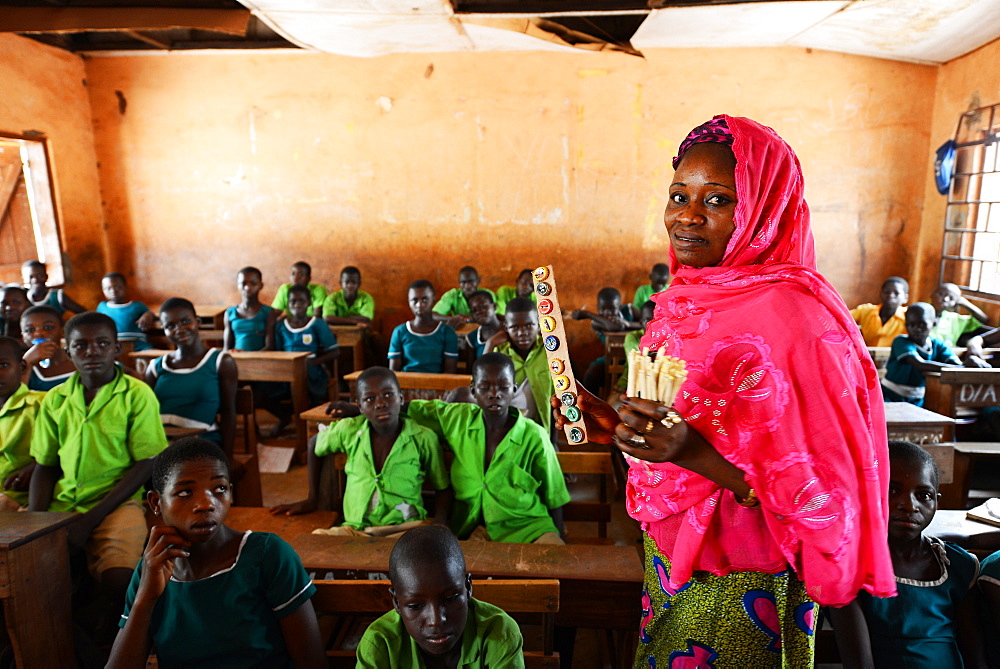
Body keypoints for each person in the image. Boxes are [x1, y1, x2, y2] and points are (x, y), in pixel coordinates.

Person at [560, 116, 895, 665]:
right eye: (678, 195)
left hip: (742, 583)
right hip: (670, 561)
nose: (687, 216)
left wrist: (692, 453)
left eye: (716, 200)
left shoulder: (798, 321)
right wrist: (619, 428)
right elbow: (685, 431)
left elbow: (828, 498)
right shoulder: (685, 301)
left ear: (763, 208)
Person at [107, 438, 325, 669]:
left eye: (219, 489)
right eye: (185, 492)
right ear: (156, 502)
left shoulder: (266, 554)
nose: (205, 503)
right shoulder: (151, 569)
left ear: (230, 494)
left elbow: (312, 663)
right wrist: (145, 598)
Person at [29, 311, 168, 620]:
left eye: (102, 343)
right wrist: (37, 524)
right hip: (62, 502)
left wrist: (89, 520)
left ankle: (118, 635)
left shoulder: (136, 394)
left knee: (119, 581)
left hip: (116, 503)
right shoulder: (55, 399)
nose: (92, 352)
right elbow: (46, 466)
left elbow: (147, 463)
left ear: (117, 349)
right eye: (80, 346)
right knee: (28, 574)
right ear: (68, 352)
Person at [835, 440, 982, 667]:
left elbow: (974, 656)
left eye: (923, 495)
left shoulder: (957, 565)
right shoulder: (850, 567)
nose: (909, 505)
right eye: (892, 491)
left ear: (936, 503)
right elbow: (860, 664)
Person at [405, 352, 569, 543]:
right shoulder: (458, 419)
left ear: (514, 389)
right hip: (468, 529)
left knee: (553, 559)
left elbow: (554, 495)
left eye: (503, 387)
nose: (494, 394)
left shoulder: (534, 436)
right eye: (484, 387)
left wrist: (559, 539)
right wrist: (363, 409)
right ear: (473, 391)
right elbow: (412, 410)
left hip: (527, 528)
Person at [270, 367, 450, 537]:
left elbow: (442, 487)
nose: (380, 404)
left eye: (388, 395)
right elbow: (314, 443)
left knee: (428, 542)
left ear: (401, 399)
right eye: (370, 399)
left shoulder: (423, 437)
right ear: (360, 407)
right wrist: (312, 498)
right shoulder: (349, 430)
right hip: (356, 530)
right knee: (317, 539)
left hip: (406, 529)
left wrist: (440, 521)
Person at [356, 524, 524, 668]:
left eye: (451, 598)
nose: (436, 620)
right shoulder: (379, 643)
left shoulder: (499, 633)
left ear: (467, 587)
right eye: (415, 606)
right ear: (397, 603)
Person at [146, 298, 238, 459]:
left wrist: (227, 458)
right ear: (164, 330)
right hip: (161, 444)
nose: (179, 330)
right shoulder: (156, 367)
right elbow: (144, 414)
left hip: (201, 444)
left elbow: (228, 412)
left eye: (185, 321)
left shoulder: (220, 361)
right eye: (170, 326)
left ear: (198, 321)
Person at [261, 284, 339, 436]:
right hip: (285, 370)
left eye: (301, 301)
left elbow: (335, 352)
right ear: (288, 304)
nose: (297, 305)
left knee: (304, 371)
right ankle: (285, 416)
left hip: (311, 368)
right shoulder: (281, 325)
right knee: (260, 387)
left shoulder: (317, 323)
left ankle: (308, 425)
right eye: (292, 302)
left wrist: (312, 363)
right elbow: (276, 352)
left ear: (309, 302)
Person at [882, 303, 977, 406]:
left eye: (922, 324)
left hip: (918, 399)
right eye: (911, 324)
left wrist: (968, 363)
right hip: (890, 395)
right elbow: (920, 364)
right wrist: (961, 367)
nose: (916, 329)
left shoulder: (938, 345)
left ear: (934, 323)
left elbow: (954, 363)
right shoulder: (901, 341)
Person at [485, 297, 553, 440]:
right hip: (506, 432)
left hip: (541, 432)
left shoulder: (550, 352)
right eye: (515, 327)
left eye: (529, 326)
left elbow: (556, 400)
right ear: (506, 328)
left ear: (539, 325)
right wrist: (490, 345)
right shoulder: (498, 352)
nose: (522, 333)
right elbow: (480, 387)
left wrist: (553, 441)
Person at [0, 336, 44, 511]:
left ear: (22, 367)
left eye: (3, 365)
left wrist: (37, 467)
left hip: (20, 501)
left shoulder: (41, 404)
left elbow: (66, 447)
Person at [389, 280, 459, 374]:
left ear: (433, 300)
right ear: (409, 302)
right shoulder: (400, 332)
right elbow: (394, 372)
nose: (420, 304)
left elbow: (450, 372)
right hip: (407, 385)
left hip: (438, 384)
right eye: (414, 300)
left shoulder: (446, 332)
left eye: (425, 299)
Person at [20, 305, 76, 390]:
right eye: (30, 330)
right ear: (23, 337)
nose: (38, 333)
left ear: (62, 332)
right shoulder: (21, 365)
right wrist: (27, 362)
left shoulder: (78, 360)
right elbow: (14, 400)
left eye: (48, 327)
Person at [96, 272, 155, 352]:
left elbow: (150, 314)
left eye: (117, 287)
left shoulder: (137, 306)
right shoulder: (102, 307)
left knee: (155, 356)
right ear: (103, 291)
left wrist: (148, 315)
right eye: (108, 288)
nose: (113, 291)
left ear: (126, 287)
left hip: (139, 346)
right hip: (113, 348)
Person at [223, 266, 277, 352]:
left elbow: (270, 347)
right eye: (243, 283)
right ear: (238, 285)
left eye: (253, 283)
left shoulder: (268, 313)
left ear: (261, 285)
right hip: (236, 361)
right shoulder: (230, 313)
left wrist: (249, 358)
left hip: (261, 361)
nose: (247, 287)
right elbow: (227, 348)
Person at [929, 282, 991, 355]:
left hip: (948, 355)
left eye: (951, 298)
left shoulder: (955, 319)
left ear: (955, 304)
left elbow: (984, 319)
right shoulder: (919, 311)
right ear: (932, 294)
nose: (945, 299)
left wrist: (964, 303)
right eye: (941, 294)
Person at [851, 276, 910, 347]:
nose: (890, 296)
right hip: (868, 356)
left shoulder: (909, 316)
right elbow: (841, 318)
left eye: (896, 293)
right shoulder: (865, 311)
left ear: (905, 298)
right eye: (886, 292)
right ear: (881, 293)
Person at [432, 266, 497, 329]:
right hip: (461, 331)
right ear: (459, 283)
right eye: (463, 283)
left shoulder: (487, 295)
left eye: (471, 282)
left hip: (483, 329)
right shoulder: (452, 295)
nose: (467, 286)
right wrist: (455, 319)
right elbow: (433, 315)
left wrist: (469, 319)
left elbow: (493, 317)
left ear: (478, 281)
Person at [21, 259, 87, 316]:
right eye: (30, 277)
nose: (35, 279)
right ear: (23, 279)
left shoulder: (57, 296)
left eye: (40, 275)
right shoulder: (22, 296)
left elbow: (83, 312)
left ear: (46, 276)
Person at [462, 290, 502, 363]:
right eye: (474, 310)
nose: (479, 312)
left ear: (494, 307)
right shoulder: (472, 338)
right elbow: (471, 369)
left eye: (483, 307)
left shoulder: (510, 331)